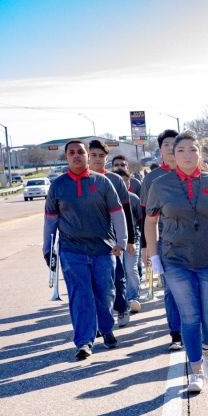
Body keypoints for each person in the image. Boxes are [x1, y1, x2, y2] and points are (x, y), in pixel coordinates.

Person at [145, 130, 208, 393]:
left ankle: (207, 348)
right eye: (180, 150)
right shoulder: (160, 185)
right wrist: (153, 255)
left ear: (200, 154)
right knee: (190, 315)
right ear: (172, 155)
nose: (186, 155)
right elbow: (150, 222)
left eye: (192, 150)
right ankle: (195, 368)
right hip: (176, 259)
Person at [43, 139, 128, 359]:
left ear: (87, 155)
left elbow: (117, 214)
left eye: (80, 152)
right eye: (71, 152)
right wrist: (48, 248)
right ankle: (84, 341)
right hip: (72, 251)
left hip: (103, 250)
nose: (76, 155)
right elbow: (50, 221)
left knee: (105, 293)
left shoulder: (102, 182)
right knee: (80, 296)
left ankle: (107, 329)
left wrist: (122, 241)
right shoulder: (58, 186)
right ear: (67, 157)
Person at [140, 129, 183, 351]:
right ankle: (175, 333)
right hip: (166, 243)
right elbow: (146, 218)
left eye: (175, 143)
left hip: (194, 243)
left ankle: (193, 330)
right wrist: (148, 247)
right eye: (167, 144)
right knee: (171, 289)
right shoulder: (151, 179)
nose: (171, 147)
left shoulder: (195, 172)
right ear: (160, 149)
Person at [88, 140, 135, 328]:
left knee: (116, 278)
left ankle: (121, 306)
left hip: (114, 239)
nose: (97, 159)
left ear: (106, 158)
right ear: (87, 156)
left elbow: (126, 211)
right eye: (94, 155)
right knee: (93, 284)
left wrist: (129, 239)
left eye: (101, 156)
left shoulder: (115, 180)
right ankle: (100, 320)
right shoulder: (80, 180)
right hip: (88, 240)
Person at [114, 168, 143, 314]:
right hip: (115, 242)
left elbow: (141, 221)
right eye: (122, 181)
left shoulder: (134, 199)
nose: (125, 183)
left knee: (131, 269)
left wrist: (142, 244)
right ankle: (122, 300)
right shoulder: (110, 197)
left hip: (133, 241)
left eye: (127, 180)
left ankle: (133, 298)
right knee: (120, 272)